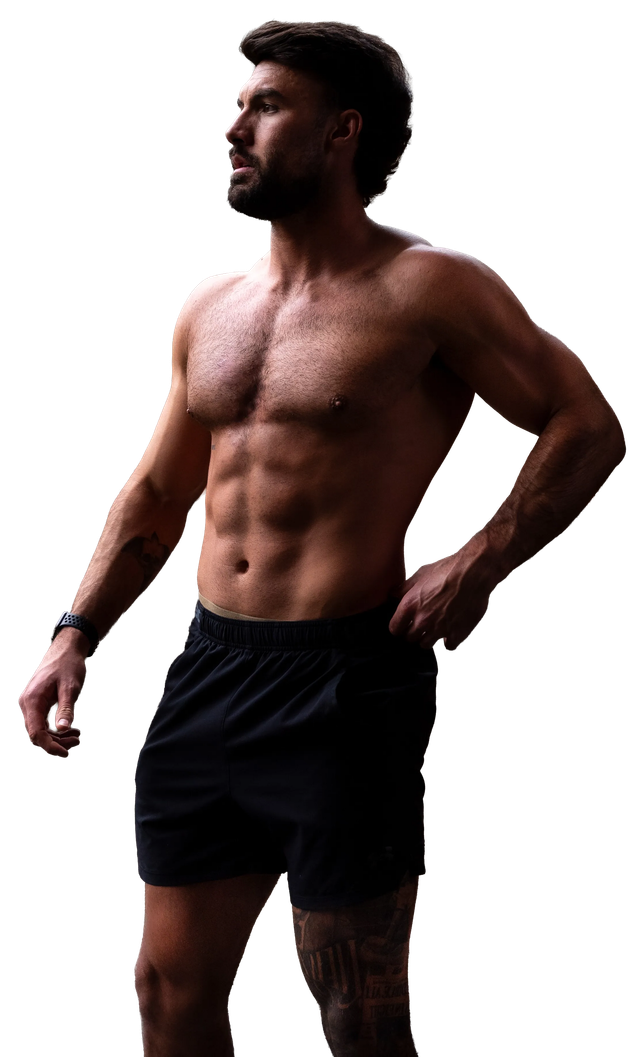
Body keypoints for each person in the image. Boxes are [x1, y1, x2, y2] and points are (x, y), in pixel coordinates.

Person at [17, 19, 625, 1057]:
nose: (233, 128)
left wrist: (479, 559)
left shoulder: (431, 285)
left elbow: (588, 424)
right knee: (166, 987)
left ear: (342, 131)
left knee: (354, 1006)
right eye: (240, 105)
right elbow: (161, 490)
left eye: (265, 106)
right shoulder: (212, 305)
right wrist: (76, 629)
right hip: (208, 670)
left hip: (347, 681)